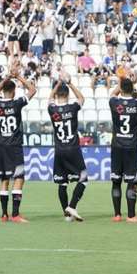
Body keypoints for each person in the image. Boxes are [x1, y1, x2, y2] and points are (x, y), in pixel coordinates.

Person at [0, 67, 36, 223]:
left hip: (1, 145)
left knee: (4, 179)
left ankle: (4, 214)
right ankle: (16, 214)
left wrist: (6, 77)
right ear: (13, 91)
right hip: (15, 146)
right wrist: (18, 76)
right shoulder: (17, 103)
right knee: (19, 177)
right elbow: (32, 90)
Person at [48, 71, 87, 222]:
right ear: (68, 95)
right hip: (72, 149)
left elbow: (50, 98)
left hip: (59, 150)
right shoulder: (72, 108)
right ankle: (72, 206)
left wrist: (58, 83)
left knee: (62, 182)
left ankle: (67, 214)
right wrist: (69, 82)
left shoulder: (52, 110)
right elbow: (82, 98)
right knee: (83, 179)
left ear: (57, 95)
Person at [108, 76, 137, 223]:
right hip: (131, 147)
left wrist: (121, 84)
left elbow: (112, 94)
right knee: (132, 182)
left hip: (117, 146)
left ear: (121, 88)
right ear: (131, 89)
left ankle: (117, 215)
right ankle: (131, 216)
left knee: (116, 182)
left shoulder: (114, 102)